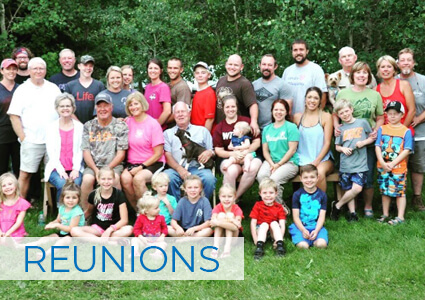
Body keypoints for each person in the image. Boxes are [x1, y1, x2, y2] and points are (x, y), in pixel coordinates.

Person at [335, 61, 384, 217]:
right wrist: (336, 126)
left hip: (367, 140)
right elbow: (335, 113)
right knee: (347, 173)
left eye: (365, 73)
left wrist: (375, 131)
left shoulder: (374, 94)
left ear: (368, 76)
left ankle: (368, 206)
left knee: (368, 174)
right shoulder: (343, 93)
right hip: (348, 140)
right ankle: (351, 208)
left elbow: (380, 117)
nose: (362, 75)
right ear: (353, 75)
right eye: (358, 73)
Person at [7, 57, 61, 199]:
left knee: (55, 174)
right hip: (31, 140)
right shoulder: (22, 90)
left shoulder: (53, 88)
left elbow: (63, 110)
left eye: (41, 68)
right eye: (35, 68)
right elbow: (14, 115)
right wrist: (23, 138)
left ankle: (55, 207)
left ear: (45, 71)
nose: (38, 71)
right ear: (29, 70)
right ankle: (18, 206)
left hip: (53, 140)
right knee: (25, 174)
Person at [80, 93, 128, 209]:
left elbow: (121, 153)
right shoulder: (88, 126)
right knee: (87, 179)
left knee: (114, 179)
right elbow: (85, 151)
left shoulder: (120, 125)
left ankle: (115, 214)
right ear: (95, 108)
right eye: (99, 106)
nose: (103, 109)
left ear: (111, 107)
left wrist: (107, 170)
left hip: (114, 165)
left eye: (105, 106)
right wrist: (97, 171)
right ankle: (85, 215)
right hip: (93, 166)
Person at [213, 92, 262, 201]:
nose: (230, 109)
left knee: (252, 167)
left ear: (237, 107)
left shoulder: (247, 122)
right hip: (230, 159)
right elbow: (218, 150)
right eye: (227, 107)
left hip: (249, 156)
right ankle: (228, 198)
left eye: (233, 106)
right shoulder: (219, 127)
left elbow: (257, 142)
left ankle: (234, 199)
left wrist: (245, 152)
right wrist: (233, 154)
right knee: (230, 171)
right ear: (223, 109)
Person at [331, 99, 375, 221]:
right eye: (341, 113)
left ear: (351, 109)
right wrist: (343, 149)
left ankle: (338, 205)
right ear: (338, 115)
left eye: (346, 111)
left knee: (357, 188)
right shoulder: (341, 129)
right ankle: (352, 213)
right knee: (348, 188)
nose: (345, 114)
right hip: (346, 164)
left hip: (360, 163)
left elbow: (372, 137)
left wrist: (364, 142)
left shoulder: (362, 123)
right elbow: (337, 146)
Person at [120, 92, 165, 208]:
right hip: (133, 163)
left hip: (153, 162)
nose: (133, 107)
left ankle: (150, 211)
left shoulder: (153, 124)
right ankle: (138, 211)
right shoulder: (128, 122)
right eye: (130, 105)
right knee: (125, 179)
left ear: (143, 104)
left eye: (136, 103)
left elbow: (158, 153)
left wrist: (141, 167)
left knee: (138, 179)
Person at [163, 102, 216, 201]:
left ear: (189, 113)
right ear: (174, 116)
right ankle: (179, 209)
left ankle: (200, 207)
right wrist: (180, 169)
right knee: (167, 177)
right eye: (177, 112)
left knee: (209, 179)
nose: (180, 114)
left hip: (198, 169)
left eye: (183, 111)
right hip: (176, 170)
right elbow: (167, 155)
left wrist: (209, 152)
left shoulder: (202, 131)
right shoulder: (167, 134)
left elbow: (212, 150)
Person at [256, 99, 299, 212]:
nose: (278, 112)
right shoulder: (267, 129)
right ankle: (268, 206)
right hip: (271, 161)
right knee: (261, 176)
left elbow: (292, 150)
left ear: (286, 112)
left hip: (289, 162)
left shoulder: (291, 127)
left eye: (281, 110)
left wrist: (278, 164)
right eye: (276, 109)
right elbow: (265, 151)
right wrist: (272, 164)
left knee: (274, 180)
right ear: (272, 111)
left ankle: (280, 208)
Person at [375, 102, 413, 225]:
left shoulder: (405, 131)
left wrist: (393, 163)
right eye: (389, 114)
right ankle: (385, 214)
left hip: (398, 168)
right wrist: (381, 161)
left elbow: (407, 150)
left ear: (401, 115)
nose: (392, 116)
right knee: (384, 190)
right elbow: (377, 146)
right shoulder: (382, 129)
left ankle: (400, 216)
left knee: (399, 192)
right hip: (383, 167)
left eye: (395, 114)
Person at [397, 48, 425, 210]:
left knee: (417, 166)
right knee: (398, 165)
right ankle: (397, 196)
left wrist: (418, 120)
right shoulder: (392, 80)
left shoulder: (422, 81)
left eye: (409, 60)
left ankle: (416, 197)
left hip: (420, 132)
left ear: (414, 63)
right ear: (398, 63)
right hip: (397, 133)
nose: (406, 63)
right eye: (403, 60)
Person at [71, 167, 133, 239]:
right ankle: (104, 241)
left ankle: (98, 239)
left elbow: (124, 220)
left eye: (109, 179)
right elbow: (89, 212)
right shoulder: (93, 194)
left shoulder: (119, 195)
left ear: (113, 179)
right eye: (103, 179)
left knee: (129, 229)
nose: (106, 182)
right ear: (98, 179)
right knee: (74, 230)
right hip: (97, 228)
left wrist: (110, 229)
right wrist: (74, 221)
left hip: (114, 229)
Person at [44, 93, 84, 203]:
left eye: (68, 106)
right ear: (57, 108)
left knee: (76, 184)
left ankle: (75, 214)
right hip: (56, 168)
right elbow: (51, 152)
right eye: (62, 106)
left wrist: (76, 169)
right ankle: (62, 214)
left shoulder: (80, 127)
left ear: (73, 108)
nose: (65, 108)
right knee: (63, 184)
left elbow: (80, 149)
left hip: (75, 168)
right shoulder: (51, 128)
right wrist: (61, 171)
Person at [293, 87, 334, 192]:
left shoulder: (326, 116)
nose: (312, 100)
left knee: (318, 173)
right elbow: (293, 142)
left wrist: (316, 162)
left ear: (320, 100)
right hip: (302, 159)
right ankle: (307, 205)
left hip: (323, 159)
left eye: (316, 98)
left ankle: (321, 205)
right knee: (308, 175)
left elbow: (327, 143)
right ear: (305, 99)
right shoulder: (297, 117)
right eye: (309, 97)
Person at [215, 54, 260, 136]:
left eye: (236, 65)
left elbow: (253, 104)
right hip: (222, 127)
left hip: (238, 129)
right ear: (226, 65)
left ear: (241, 67)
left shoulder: (245, 84)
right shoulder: (221, 80)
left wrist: (254, 121)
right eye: (230, 64)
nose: (232, 67)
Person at [282, 39, 327, 114]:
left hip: (308, 119)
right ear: (292, 52)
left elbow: (322, 95)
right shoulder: (287, 71)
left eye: (301, 49)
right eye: (295, 50)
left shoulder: (316, 69)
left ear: (307, 51)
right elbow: (283, 95)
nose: (298, 52)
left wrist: (316, 116)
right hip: (289, 118)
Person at [289, 164, 328, 249]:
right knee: (303, 246)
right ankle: (305, 240)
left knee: (322, 245)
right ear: (301, 179)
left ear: (318, 178)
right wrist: (303, 230)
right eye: (305, 177)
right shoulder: (297, 194)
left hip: (316, 226)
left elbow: (322, 217)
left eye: (312, 177)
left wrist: (317, 230)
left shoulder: (322, 195)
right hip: (300, 226)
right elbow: (295, 217)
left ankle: (315, 240)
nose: (309, 180)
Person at [253, 54, 293, 129]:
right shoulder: (254, 85)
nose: (266, 67)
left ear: (275, 67)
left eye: (270, 65)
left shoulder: (282, 85)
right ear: (260, 65)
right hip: (257, 129)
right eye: (264, 64)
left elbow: (288, 111)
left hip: (275, 129)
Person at [376, 55, 415, 130]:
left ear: (394, 70)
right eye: (383, 67)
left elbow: (412, 110)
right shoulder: (375, 90)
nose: (386, 69)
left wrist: (401, 131)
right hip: (385, 135)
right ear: (379, 70)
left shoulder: (404, 85)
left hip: (404, 132)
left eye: (389, 67)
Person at [250, 178, 286, 260]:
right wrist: (255, 238)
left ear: (276, 193)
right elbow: (253, 223)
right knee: (264, 225)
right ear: (260, 194)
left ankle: (280, 245)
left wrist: (280, 238)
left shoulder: (279, 207)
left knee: (274, 223)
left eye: (271, 193)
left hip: (274, 231)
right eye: (265, 193)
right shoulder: (258, 205)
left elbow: (282, 225)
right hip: (261, 229)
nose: (268, 195)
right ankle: (259, 247)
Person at [64, 55, 105, 124]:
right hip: (74, 125)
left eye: (91, 66)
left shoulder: (99, 85)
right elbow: (66, 107)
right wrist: (78, 124)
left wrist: (94, 123)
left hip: (95, 125)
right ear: (79, 66)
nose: (88, 68)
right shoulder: (70, 86)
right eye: (85, 65)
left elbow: (103, 106)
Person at [210, 184, 243, 259]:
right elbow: (212, 222)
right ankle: (216, 247)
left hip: (233, 239)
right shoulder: (218, 207)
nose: (226, 199)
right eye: (224, 196)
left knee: (230, 215)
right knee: (221, 215)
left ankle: (227, 249)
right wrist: (230, 221)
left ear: (234, 198)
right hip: (221, 238)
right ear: (219, 197)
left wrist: (220, 222)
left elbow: (237, 226)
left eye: (230, 196)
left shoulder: (237, 209)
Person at [131, 191, 167, 258]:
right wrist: (141, 237)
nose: (159, 209)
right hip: (144, 241)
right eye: (156, 208)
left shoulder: (161, 218)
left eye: (158, 207)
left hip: (156, 241)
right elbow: (136, 229)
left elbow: (164, 228)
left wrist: (162, 236)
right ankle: (135, 252)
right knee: (134, 240)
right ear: (147, 211)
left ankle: (158, 253)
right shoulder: (141, 218)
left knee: (163, 244)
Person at [0, 59, 20, 176]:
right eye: (8, 69)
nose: (11, 71)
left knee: (19, 168)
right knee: (1, 168)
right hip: (2, 133)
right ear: (2, 71)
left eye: (14, 69)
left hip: (19, 133)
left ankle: (21, 194)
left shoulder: (21, 88)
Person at [0, 173, 31, 241]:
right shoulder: (0, 203)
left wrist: (7, 234)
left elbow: (18, 222)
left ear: (16, 185)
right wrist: (1, 233)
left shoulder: (22, 203)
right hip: (1, 231)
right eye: (4, 185)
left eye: (10, 184)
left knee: (10, 242)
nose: (7, 187)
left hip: (15, 233)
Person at [144, 58, 172, 129]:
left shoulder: (163, 87)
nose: (153, 71)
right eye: (150, 68)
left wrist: (157, 124)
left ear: (161, 71)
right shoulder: (147, 87)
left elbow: (167, 111)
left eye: (156, 68)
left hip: (158, 129)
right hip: (147, 127)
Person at [191, 61, 216, 132]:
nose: (200, 75)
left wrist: (204, 138)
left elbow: (210, 119)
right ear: (194, 75)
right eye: (197, 73)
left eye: (203, 73)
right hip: (195, 132)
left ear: (209, 75)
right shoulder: (197, 93)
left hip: (203, 134)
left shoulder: (209, 93)